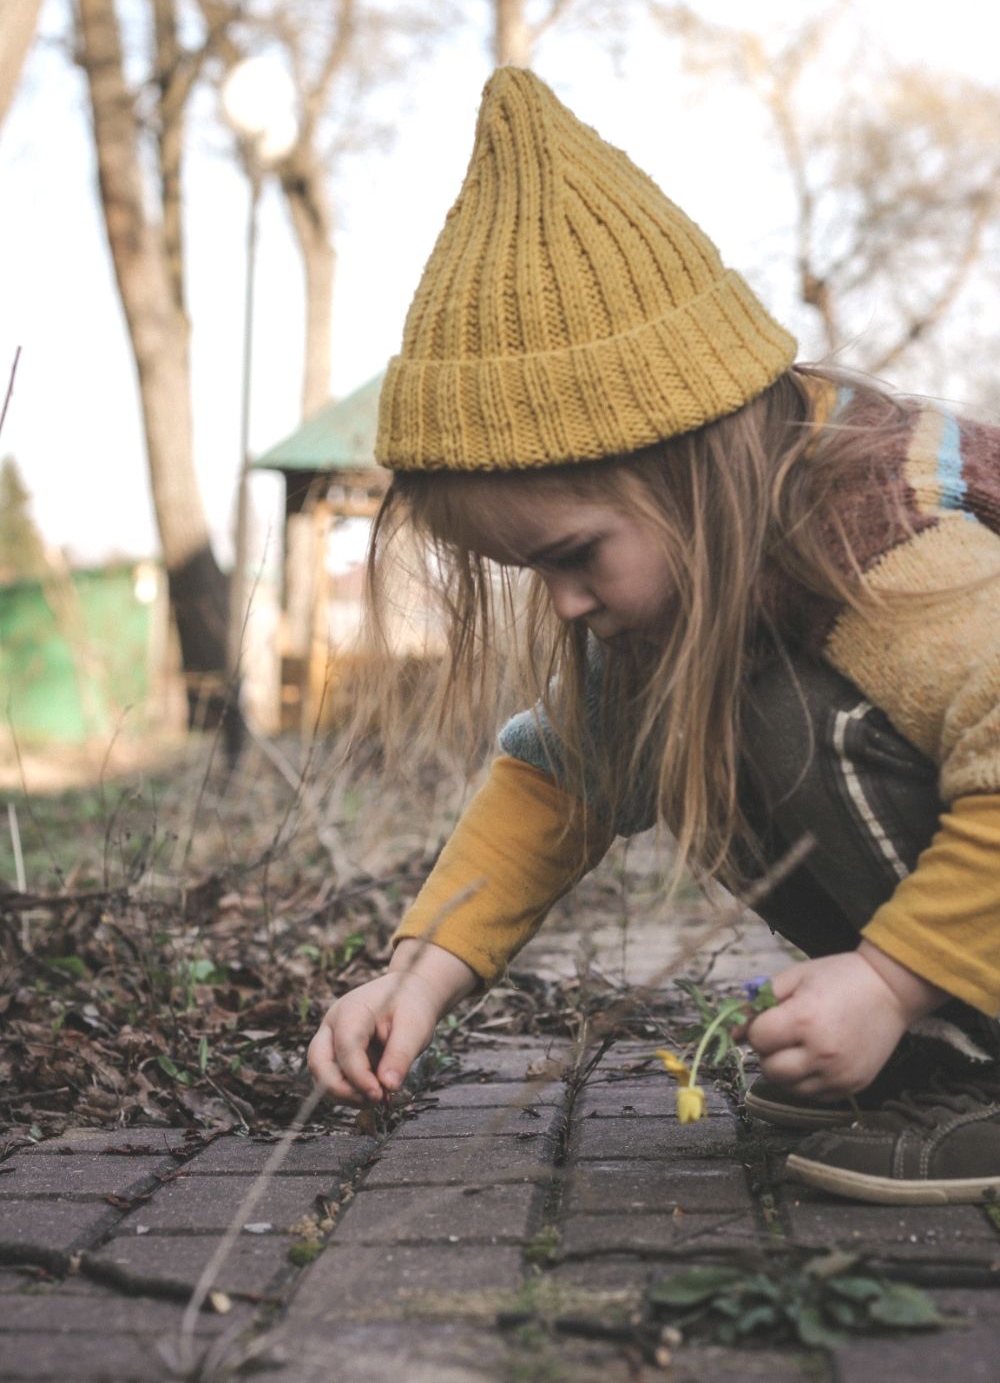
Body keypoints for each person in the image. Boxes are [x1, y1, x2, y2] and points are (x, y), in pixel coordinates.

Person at [308, 66, 1000, 1205]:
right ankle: (949, 1051)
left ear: (689, 465)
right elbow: (558, 779)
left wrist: (887, 981)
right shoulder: (699, 583)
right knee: (680, 709)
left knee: (770, 716)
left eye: (574, 556)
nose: (568, 603)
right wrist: (416, 977)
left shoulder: (894, 548)